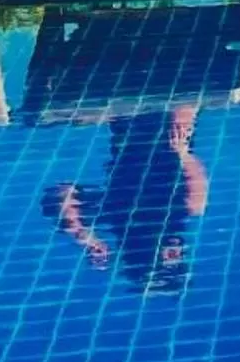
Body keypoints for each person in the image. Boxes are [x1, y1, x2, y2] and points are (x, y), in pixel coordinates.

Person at [40, 105, 209, 293]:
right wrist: (182, 154)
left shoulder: (119, 214)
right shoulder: (185, 210)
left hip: (127, 133)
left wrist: (83, 235)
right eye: (179, 260)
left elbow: (60, 193)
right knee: (180, 120)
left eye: (169, 261)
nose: (178, 254)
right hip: (167, 136)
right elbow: (195, 177)